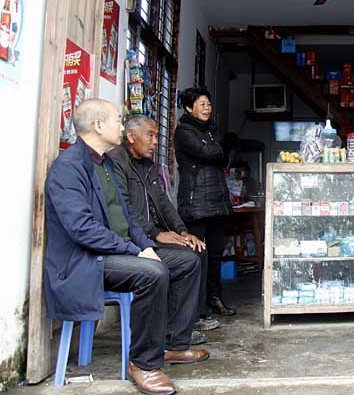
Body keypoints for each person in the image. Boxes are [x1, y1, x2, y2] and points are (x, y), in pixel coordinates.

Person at [44, 99, 209, 395]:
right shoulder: (68, 167)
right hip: (85, 261)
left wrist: (146, 245)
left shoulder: (107, 163)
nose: (122, 127)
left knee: (187, 261)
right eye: (118, 120)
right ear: (97, 125)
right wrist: (136, 252)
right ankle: (144, 363)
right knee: (152, 272)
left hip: (117, 252)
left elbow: (129, 216)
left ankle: (172, 344)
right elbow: (81, 229)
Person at [108, 114, 217, 343]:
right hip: (133, 240)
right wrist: (156, 233)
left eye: (156, 136)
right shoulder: (116, 162)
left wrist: (182, 231)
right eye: (150, 135)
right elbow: (125, 209)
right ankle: (172, 333)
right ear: (131, 136)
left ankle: (187, 322)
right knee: (186, 260)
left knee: (197, 248)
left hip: (149, 235)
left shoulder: (146, 165)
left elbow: (163, 201)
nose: (155, 141)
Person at [174, 87, 236, 318]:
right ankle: (197, 309)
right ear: (189, 108)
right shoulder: (184, 132)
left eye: (208, 104)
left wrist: (219, 151)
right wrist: (220, 150)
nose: (207, 108)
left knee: (216, 255)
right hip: (196, 204)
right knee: (198, 256)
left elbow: (223, 158)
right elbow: (208, 153)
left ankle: (214, 299)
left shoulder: (210, 131)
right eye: (201, 104)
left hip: (217, 202)